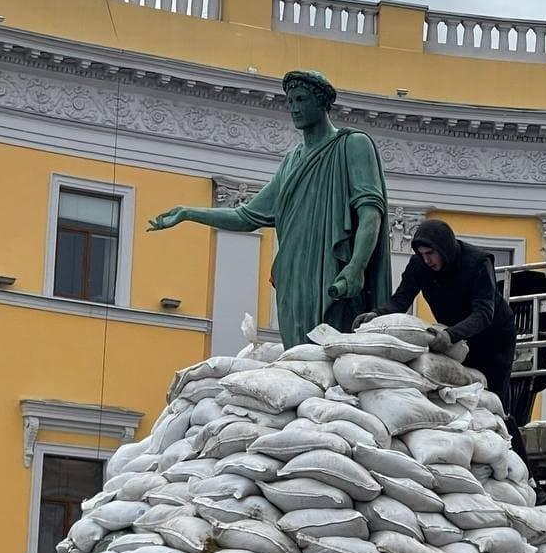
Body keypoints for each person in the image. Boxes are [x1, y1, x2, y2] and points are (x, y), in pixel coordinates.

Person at [149, 70, 391, 348]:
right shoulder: (291, 162)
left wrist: (357, 266)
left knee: (334, 353)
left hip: (334, 269)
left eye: (301, 99)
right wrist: (189, 213)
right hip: (293, 276)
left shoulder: (352, 145)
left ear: (322, 102)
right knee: (300, 357)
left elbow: (371, 211)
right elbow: (246, 216)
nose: (294, 108)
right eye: (289, 102)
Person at [354, 219, 524, 454]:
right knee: (455, 396)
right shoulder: (419, 266)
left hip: (493, 338)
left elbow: (484, 313)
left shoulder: (477, 263)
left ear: (444, 248)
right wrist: (375, 315)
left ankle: (515, 460)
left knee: (491, 400)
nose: (427, 260)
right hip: (454, 338)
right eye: (422, 254)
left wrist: (451, 334)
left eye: (431, 253)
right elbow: (401, 299)